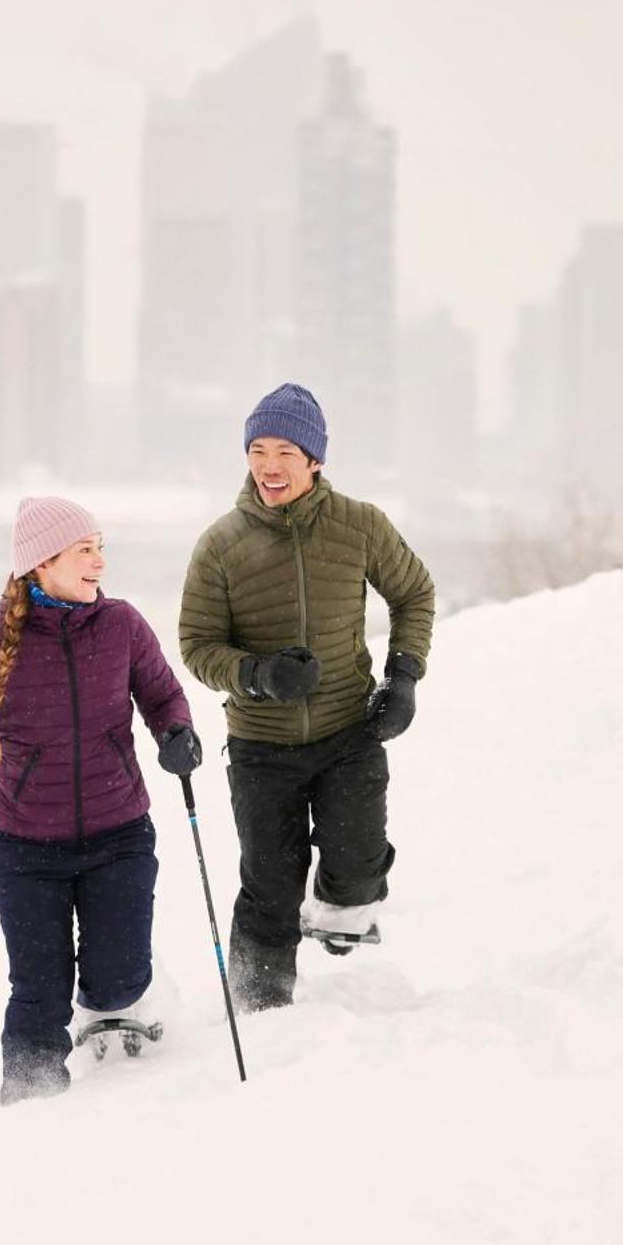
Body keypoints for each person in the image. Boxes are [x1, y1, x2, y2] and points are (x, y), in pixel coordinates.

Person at [0, 496, 202, 1105]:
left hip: (120, 834)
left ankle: (123, 1003)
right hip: (27, 851)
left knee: (118, 980)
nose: (100, 561)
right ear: (42, 563)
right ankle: (29, 1102)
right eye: (85, 550)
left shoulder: (123, 624)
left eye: (101, 546)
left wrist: (176, 733)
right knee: (39, 992)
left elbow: (163, 697)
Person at [177, 383, 436, 1011]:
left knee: (357, 861)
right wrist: (259, 674)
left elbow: (414, 593)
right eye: (258, 449)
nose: (269, 464)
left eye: (286, 450)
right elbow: (197, 644)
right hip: (262, 746)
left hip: (349, 731)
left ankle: (341, 901)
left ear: (315, 459)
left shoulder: (361, 526)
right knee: (269, 885)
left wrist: (402, 677)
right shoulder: (221, 544)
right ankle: (259, 1009)